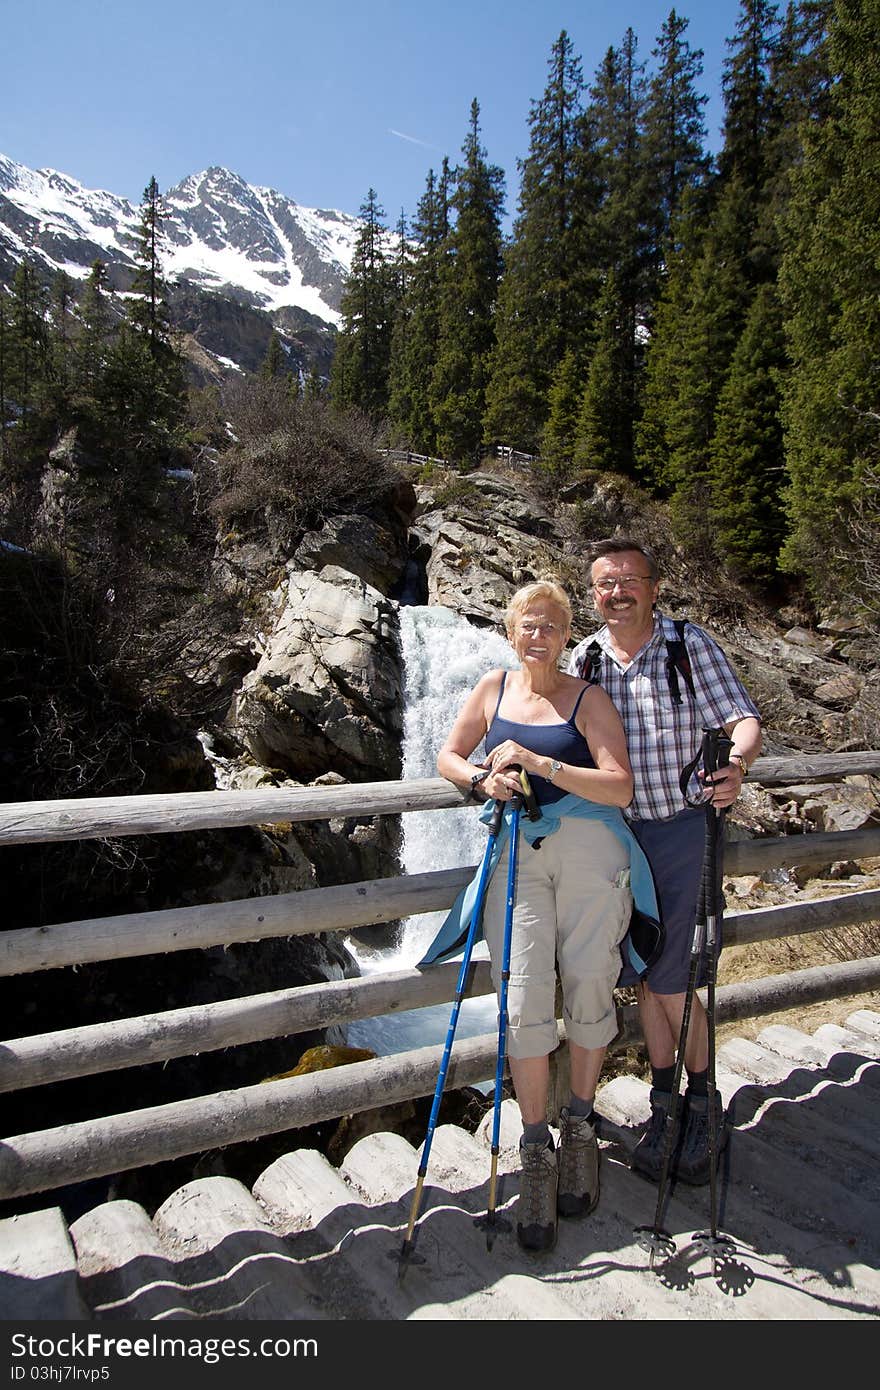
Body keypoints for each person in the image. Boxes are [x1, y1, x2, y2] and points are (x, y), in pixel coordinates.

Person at [425, 579, 660, 1253]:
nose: (539, 634)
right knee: (522, 998)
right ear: (511, 629)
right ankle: (535, 1150)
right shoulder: (492, 689)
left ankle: (579, 1129)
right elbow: (448, 755)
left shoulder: (588, 699)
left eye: (552, 625)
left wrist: (537, 762)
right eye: (529, 623)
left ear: (567, 635)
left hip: (590, 855)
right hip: (516, 860)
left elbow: (620, 785)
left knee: (589, 983)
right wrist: (479, 779)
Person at [568, 537, 762, 1186]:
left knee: (674, 980)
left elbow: (741, 718)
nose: (617, 592)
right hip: (617, 840)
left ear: (653, 587)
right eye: (604, 584)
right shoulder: (586, 659)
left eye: (628, 580)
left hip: (683, 831)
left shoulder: (688, 645)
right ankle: (665, 1104)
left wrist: (735, 766)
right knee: (650, 976)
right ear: (592, 593)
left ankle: (701, 1106)